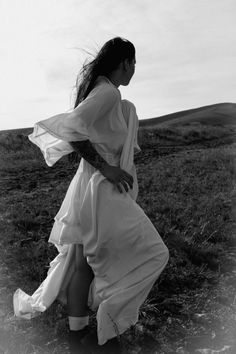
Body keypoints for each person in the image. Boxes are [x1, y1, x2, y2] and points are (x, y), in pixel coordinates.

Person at [13, 37, 169, 353]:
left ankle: (77, 336)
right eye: (134, 63)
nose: (135, 70)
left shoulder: (108, 94)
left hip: (91, 187)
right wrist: (107, 168)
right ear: (125, 62)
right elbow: (73, 130)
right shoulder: (108, 92)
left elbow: (84, 132)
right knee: (155, 253)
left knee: (82, 262)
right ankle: (110, 321)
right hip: (101, 189)